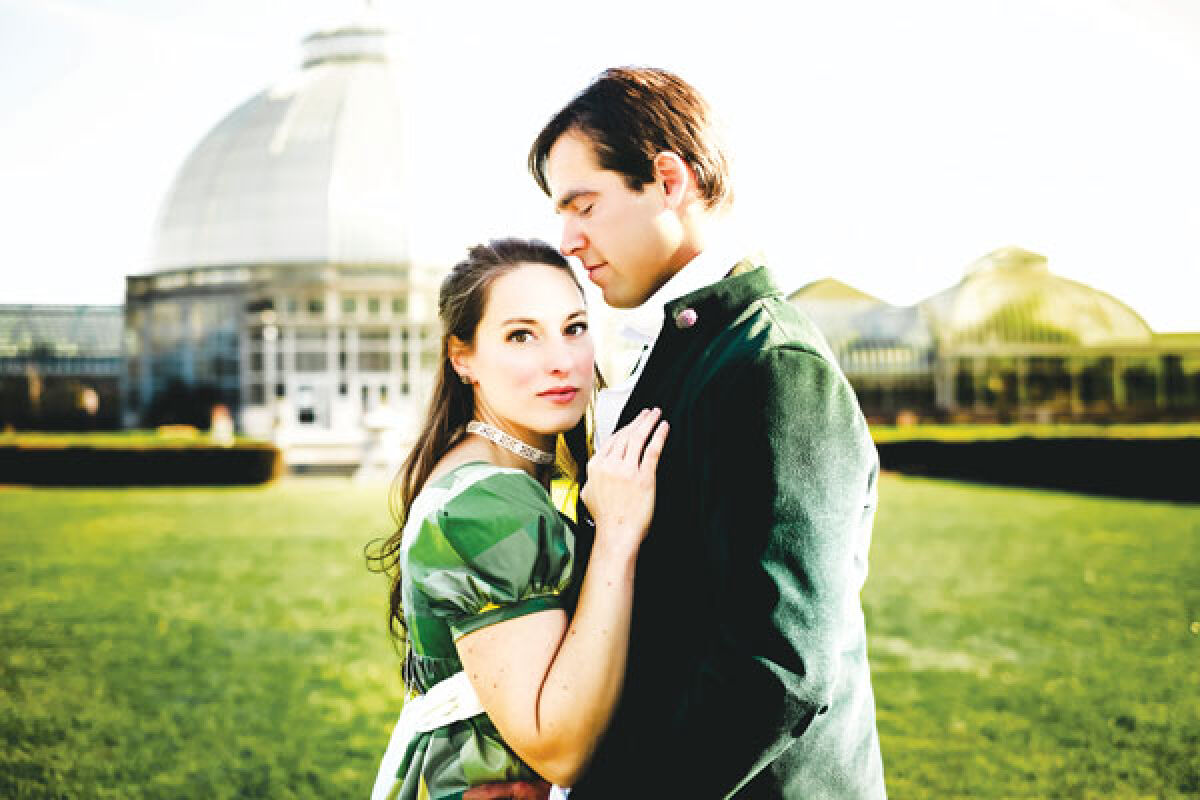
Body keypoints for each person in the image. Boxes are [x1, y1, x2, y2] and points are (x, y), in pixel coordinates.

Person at [525, 67, 887, 797]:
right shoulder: (694, 346)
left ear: (668, 179)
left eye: (584, 204)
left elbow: (777, 669)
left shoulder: (771, 366)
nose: (567, 238)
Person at [369, 238, 669, 800]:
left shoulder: (495, 470)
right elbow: (558, 746)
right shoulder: (488, 502)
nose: (561, 360)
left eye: (574, 327)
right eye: (521, 335)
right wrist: (618, 538)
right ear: (463, 358)